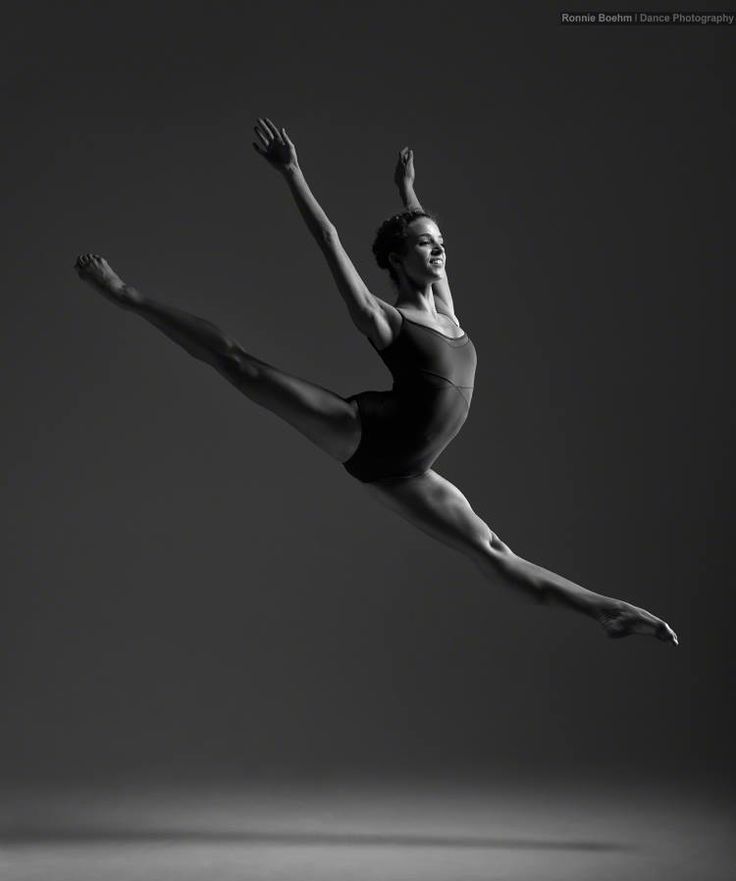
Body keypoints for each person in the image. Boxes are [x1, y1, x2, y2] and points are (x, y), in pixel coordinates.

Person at [74, 116, 677, 645]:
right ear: (394, 259)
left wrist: (408, 192)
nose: (439, 253)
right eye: (424, 245)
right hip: (367, 433)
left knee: (495, 552)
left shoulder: (446, 307)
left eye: (440, 244)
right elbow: (330, 240)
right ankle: (127, 296)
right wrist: (292, 172)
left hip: (410, 470)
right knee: (240, 365)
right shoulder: (384, 320)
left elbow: (425, 240)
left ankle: (609, 611)